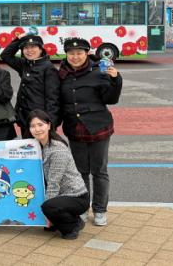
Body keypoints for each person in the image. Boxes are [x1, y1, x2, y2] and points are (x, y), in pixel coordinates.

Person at [57, 37, 122, 227]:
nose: (75, 57)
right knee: (80, 172)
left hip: (98, 128)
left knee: (99, 171)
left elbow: (111, 99)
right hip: (74, 128)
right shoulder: (61, 74)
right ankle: (83, 208)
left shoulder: (99, 71)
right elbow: (60, 102)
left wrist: (115, 79)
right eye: (71, 53)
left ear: (87, 53)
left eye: (79, 53)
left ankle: (100, 209)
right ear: (66, 55)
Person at [29, 109, 89, 240]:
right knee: (47, 208)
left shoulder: (57, 150)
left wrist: (47, 214)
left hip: (77, 197)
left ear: (49, 125)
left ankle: (74, 225)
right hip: (62, 196)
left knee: (48, 207)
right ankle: (59, 218)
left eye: (40, 125)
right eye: (32, 126)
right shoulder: (38, 146)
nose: (37, 129)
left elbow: (53, 183)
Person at [0, 33, 60, 137]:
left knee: (41, 147)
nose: (29, 50)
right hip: (25, 118)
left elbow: (53, 98)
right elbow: (5, 55)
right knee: (28, 147)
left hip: (40, 121)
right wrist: (18, 40)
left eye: (33, 47)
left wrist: (51, 123)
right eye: (26, 48)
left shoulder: (48, 68)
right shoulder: (24, 64)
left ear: (41, 49)